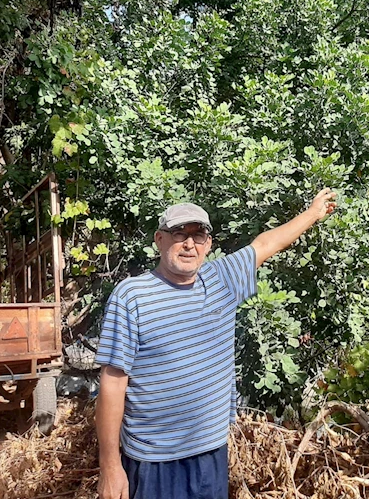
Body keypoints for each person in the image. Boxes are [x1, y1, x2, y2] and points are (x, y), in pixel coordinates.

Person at [94, 189, 337, 499]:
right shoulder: (132, 296)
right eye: (178, 233)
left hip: (211, 454)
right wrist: (111, 467)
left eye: (198, 235)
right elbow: (112, 384)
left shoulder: (222, 280)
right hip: (154, 462)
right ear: (159, 239)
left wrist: (313, 213)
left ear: (208, 244)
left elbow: (266, 243)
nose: (188, 243)